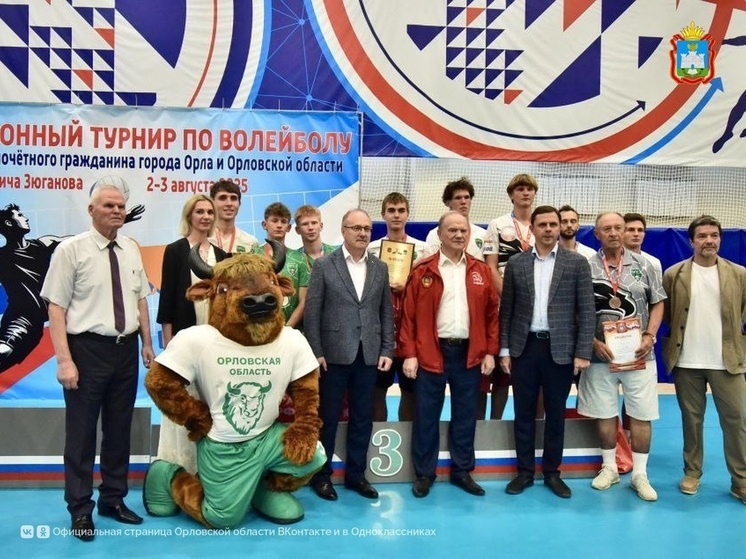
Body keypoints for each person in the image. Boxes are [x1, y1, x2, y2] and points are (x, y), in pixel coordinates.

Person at [40, 185, 155, 541]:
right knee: (81, 435)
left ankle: (113, 499)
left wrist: (147, 343)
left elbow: (140, 299)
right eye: (109, 205)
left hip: (126, 350)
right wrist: (64, 361)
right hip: (86, 351)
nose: (117, 210)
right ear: (92, 210)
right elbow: (56, 307)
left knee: (119, 431)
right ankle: (79, 508)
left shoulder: (131, 248)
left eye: (121, 205)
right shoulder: (70, 250)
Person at [399, 211, 498, 498]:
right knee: (426, 415)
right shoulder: (423, 270)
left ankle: (462, 470)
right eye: (452, 230)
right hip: (430, 351)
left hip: (470, 353)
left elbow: (492, 315)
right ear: (440, 234)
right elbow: (408, 316)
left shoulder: (481, 271)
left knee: (465, 414)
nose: (458, 235)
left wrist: (490, 351)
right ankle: (424, 473)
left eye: (463, 231)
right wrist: (409, 353)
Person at [499, 206, 595, 499]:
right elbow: (507, 310)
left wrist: (583, 351)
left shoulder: (577, 263)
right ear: (533, 229)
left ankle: (552, 473)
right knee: (523, 412)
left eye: (554, 224)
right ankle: (525, 472)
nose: (549, 229)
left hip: (560, 349)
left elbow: (586, 311)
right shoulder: (516, 263)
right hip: (524, 347)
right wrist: (504, 350)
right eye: (543, 224)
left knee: (555, 414)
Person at [304, 209, 394, 501]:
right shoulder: (324, 265)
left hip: (368, 355)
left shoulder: (380, 267)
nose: (362, 233)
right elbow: (312, 312)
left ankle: (356, 476)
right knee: (327, 419)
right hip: (332, 356)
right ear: (343, 230)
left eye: (366, 228)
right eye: (356, 228)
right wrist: (316, 351)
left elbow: (386, 312)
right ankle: (321, 476)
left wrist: (387, 348)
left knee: (362, 418)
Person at [577, 212, 665, 502]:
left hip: (639, 354)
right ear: (597, 234)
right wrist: (591, 342)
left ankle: (640, 474)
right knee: (604, 413)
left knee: (641, 414)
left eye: (618, 227)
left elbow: (658, 302)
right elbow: (574, 309)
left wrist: (650, 336)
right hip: (600, 355)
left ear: (625, 230)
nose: (614, 232)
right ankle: (610, 467)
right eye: (607, 229)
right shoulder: (585, 266)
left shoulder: (646, 264)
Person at [662, 215, 746, 504]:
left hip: (728, 362)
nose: (708, 241)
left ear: (720, 239)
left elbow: (741, 311)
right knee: (691, 420)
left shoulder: (739, 274)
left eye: (714, 235)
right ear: (691, 241)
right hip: (687, 361)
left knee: (736, 421)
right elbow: (669, 313)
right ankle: (692, 472)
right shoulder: (674, 274)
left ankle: (741, 480)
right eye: (702, 236)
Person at [156, 194, 227, 473]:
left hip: (216, 342)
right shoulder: (175, 250)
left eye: (210, 212)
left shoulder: (222, 256)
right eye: (200, 211)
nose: (206, 216)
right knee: (183, 401)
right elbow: (167, 297)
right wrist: (168, 341)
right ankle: (180, 466)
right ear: (190, 216)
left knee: (211, 403)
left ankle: (209, 468)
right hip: (183, 340)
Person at [481, 173, 539, 420]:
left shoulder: (542, 223)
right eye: (520, 189)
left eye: (529, 189)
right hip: (503, 303)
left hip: (536, 305)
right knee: (498, 371)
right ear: (511, 195)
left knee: (525, 371)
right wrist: (508, 297)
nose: (525, 193)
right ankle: (491, 423)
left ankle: (522, 422)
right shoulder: (497, 224)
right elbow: (490, 266)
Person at [367, 192, 427, 422]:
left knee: (410, 391)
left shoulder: (422, 250)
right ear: (383, 214)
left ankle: (406, 440)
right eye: (391, 210)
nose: (396, 215)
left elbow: (427, 289)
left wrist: (408, 284)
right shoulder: (371, 249)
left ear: (408, 214)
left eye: (401, 210)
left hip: (410, 331)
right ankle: (379, 436)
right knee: (377, 391)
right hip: (381, 331)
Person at [0, 204, 64, 372]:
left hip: (36, 327)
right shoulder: (2, 256)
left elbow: (82, 239)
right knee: (4, 349)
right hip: (20, 319)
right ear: (8, 223)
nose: (26, 218)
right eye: (20, 215)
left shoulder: (43, 244)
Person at [255, 202, 309, 329]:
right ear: (264, 225)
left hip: (291, 331)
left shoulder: (300, 258)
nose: (279, 225)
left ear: (289, 227)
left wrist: (288, 329)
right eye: (274, 221)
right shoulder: (253, 257)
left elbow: (304, 302)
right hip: (259, 329)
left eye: (283, 221)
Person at [424, 177, 486, 260]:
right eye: (458, 198)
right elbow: (430, 264)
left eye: (467, 197)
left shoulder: (483, 234)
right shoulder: (435, 235)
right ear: (448, 203)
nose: (463, 202)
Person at [208, 179, 259, 254]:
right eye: (222, 198)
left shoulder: (251, 242)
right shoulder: (203, 239)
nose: (229, 203)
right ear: (212, 203)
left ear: (239, 203)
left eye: (233, 198)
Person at [622, 213, 663, 278]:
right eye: (631, 230)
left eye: (640, 230)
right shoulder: (612, 261)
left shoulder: (653, 263)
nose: (636, 234)